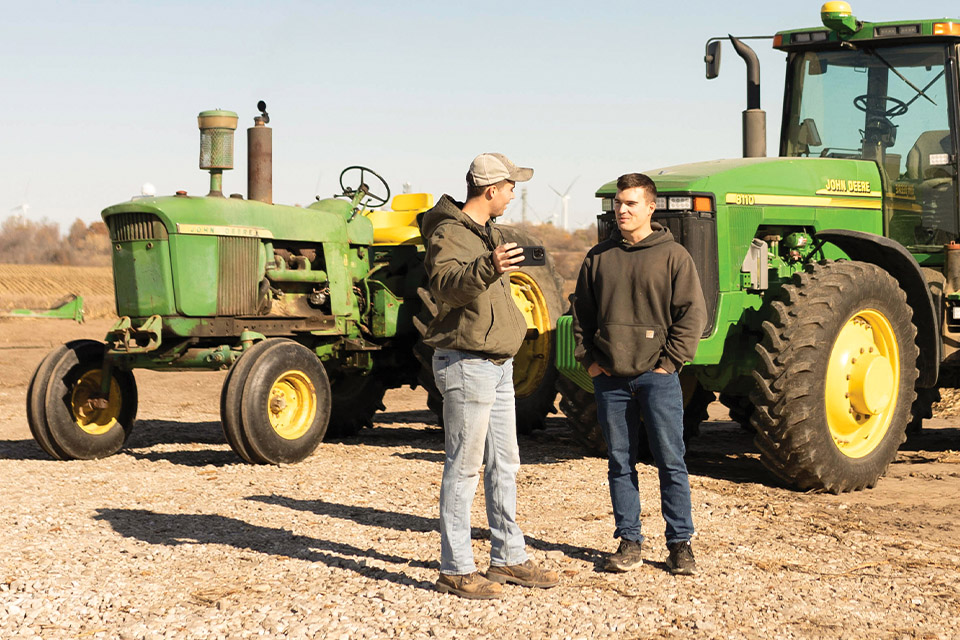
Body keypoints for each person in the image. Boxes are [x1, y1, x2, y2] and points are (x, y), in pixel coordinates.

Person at [421, 152, 560, 599]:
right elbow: (445, 284)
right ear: (490, 190)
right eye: (511, 187)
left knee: (505, 464)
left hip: (499, 366)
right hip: (468, 364)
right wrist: (489, 266)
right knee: (464, 469)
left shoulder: (488, 234)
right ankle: (455, 568)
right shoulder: (448, 233)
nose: (514, 194)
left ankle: (509, 559)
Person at [572, 172, 707, 576]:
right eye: (618, 203)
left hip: (658, 377)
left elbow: (691, 316)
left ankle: (680, 545)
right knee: (619, 461)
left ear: (651, 207)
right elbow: (581, 315)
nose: (622, 210)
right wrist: (591, 362)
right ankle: (629, 542)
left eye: (631, 203)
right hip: (610, 378)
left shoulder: (674, 256)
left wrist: (669, 364)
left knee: (671, 461)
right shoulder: (598, 257)